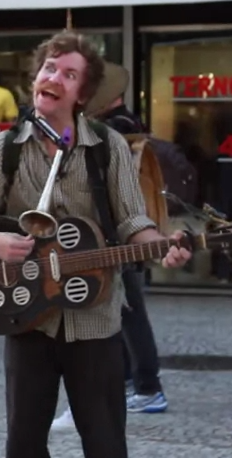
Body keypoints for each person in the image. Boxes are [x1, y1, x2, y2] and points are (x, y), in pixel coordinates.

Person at [0, 31, 191, 458]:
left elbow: (132, 221)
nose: (54, 77)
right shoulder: (6, 148)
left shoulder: (107, 146)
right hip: (26, 317)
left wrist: (161, 244)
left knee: (106, 443)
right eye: (50, 68)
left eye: (69, 74)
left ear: (82, 93)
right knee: (23, 445)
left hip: (95, 319)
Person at [51, 64, 167, 431]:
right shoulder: (124, 123)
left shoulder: (114, 129)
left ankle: (147, 386)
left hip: (113, 234)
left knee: (124, 313)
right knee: (125, 311)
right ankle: (136, 382)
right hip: (115, 232)